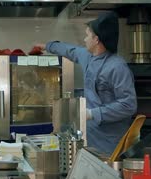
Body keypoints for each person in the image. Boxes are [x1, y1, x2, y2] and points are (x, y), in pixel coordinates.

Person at [35, 11, 137, 155]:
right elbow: (70, 50)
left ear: (96, 39)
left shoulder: (117, 67)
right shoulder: (88, 56)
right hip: (90, 137)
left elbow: (128, 105)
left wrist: (92, 113)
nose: (84, 39)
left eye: (88, 35)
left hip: (110, 144)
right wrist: (46, 46)